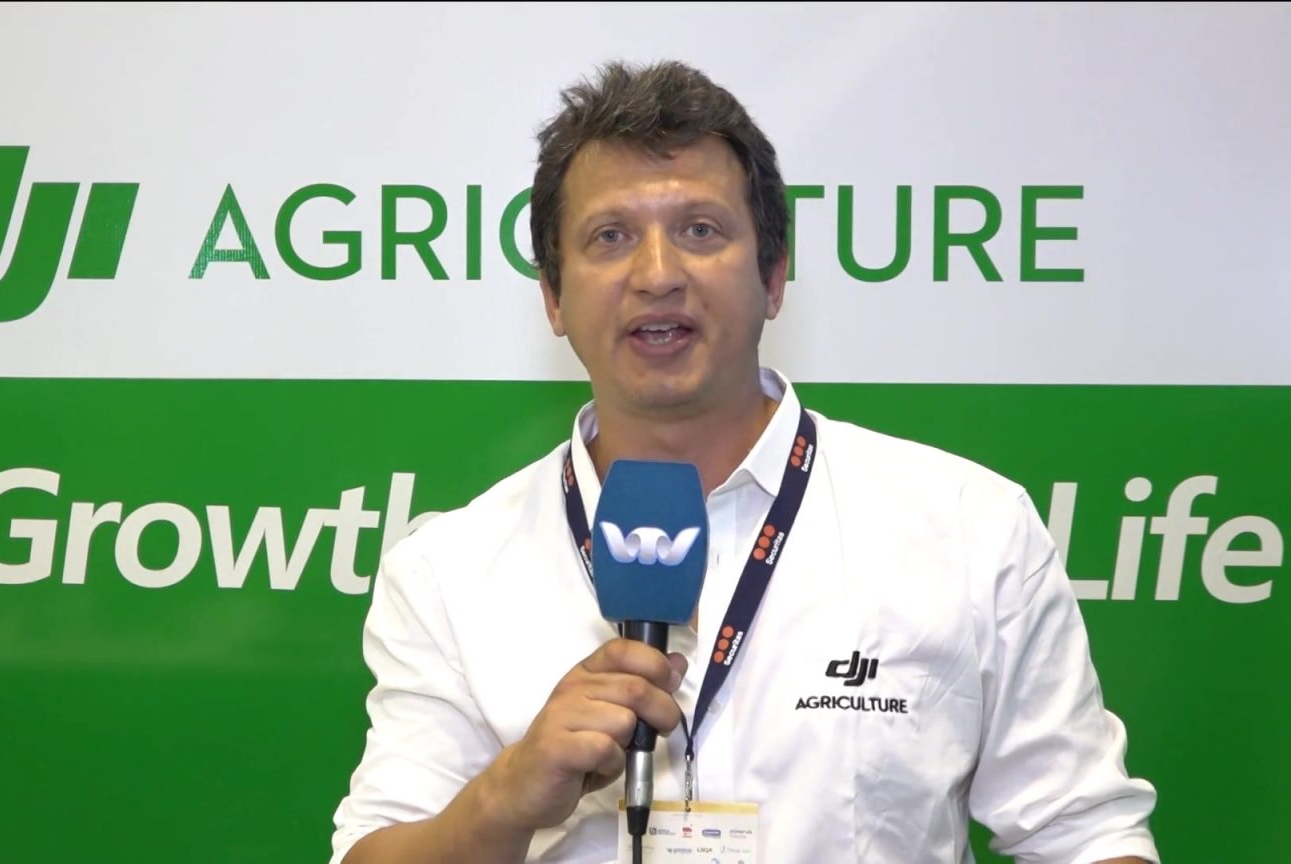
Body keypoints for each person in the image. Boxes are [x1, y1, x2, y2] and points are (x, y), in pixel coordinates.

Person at [329, 60, 1159, 864]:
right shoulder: (447, 572)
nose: (658, 275)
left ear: (774, 277)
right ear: (553, 295)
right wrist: (504, 799)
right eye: (611, 236)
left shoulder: (969, 528)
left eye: (700, 230)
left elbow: (1088, 838)